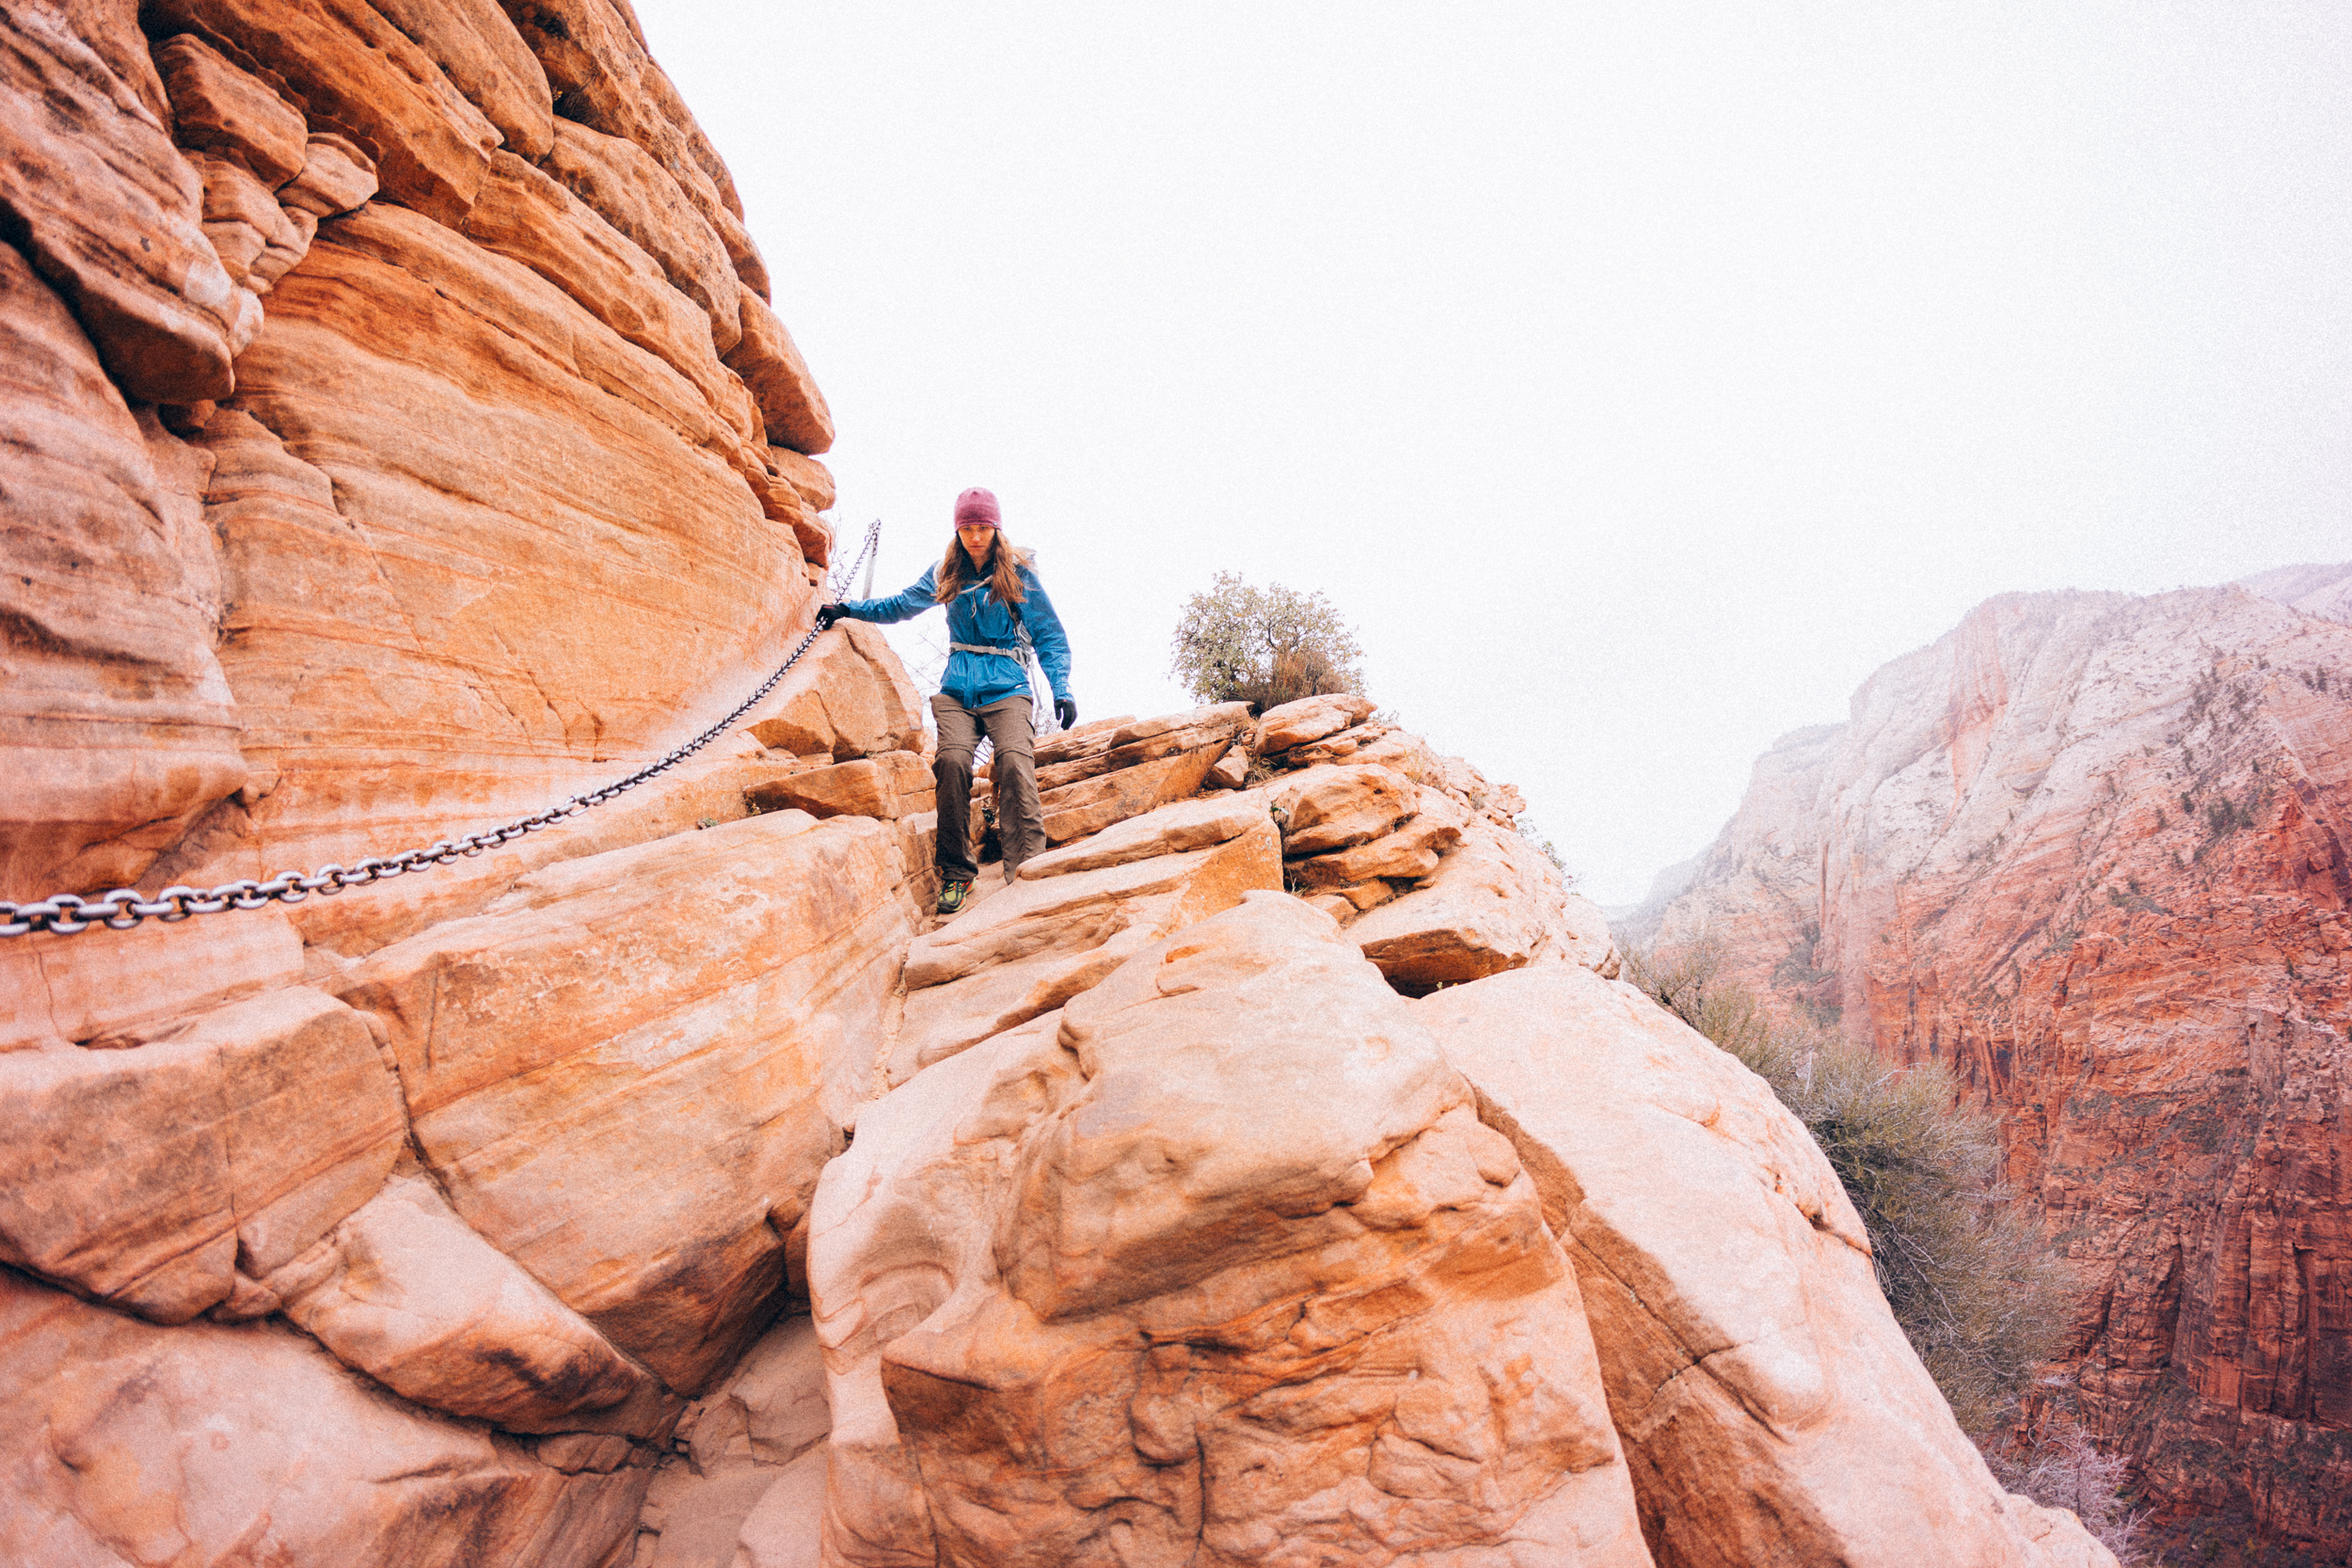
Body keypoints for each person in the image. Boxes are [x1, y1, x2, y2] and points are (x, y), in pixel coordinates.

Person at [816, 487, 1074, 914]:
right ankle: (956, 872)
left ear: (996, 529)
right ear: (958, 531)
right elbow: (900, 605)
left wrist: (1061, 687)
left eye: (984, 528)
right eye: (967, 528)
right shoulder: (945, 572)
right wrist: (847, 609)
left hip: (1008, 687)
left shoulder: (1018, 574)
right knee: (951, 763)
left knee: (1014, 761)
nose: (976, 537)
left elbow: (1049, 635)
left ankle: (1028, 865)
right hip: (957, 690)